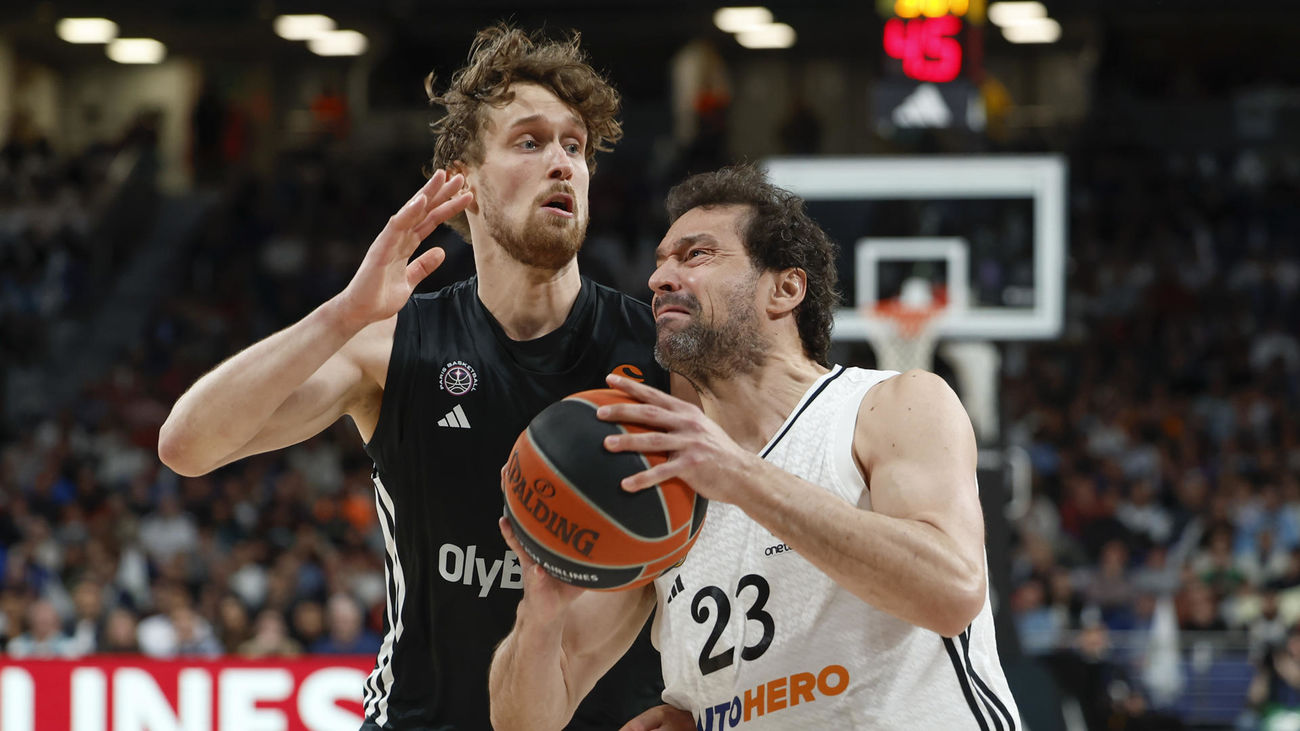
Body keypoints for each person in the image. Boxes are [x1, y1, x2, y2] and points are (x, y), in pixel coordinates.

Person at [158, 25, 669, 730]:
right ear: (464, 181)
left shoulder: (660, 352)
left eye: (575, 145)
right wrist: (338, 316)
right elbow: (187, 444)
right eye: (530, 141)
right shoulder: (392, 345)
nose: (562, 163)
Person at [489, 164, 1021, 730]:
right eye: (661, 261)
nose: (660, 278)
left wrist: (742, 478)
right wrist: (541, 613)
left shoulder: (890, 405)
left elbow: (952, 591)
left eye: (696, 255)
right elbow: (524, 723)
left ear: (785, 289)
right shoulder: (665, 485)